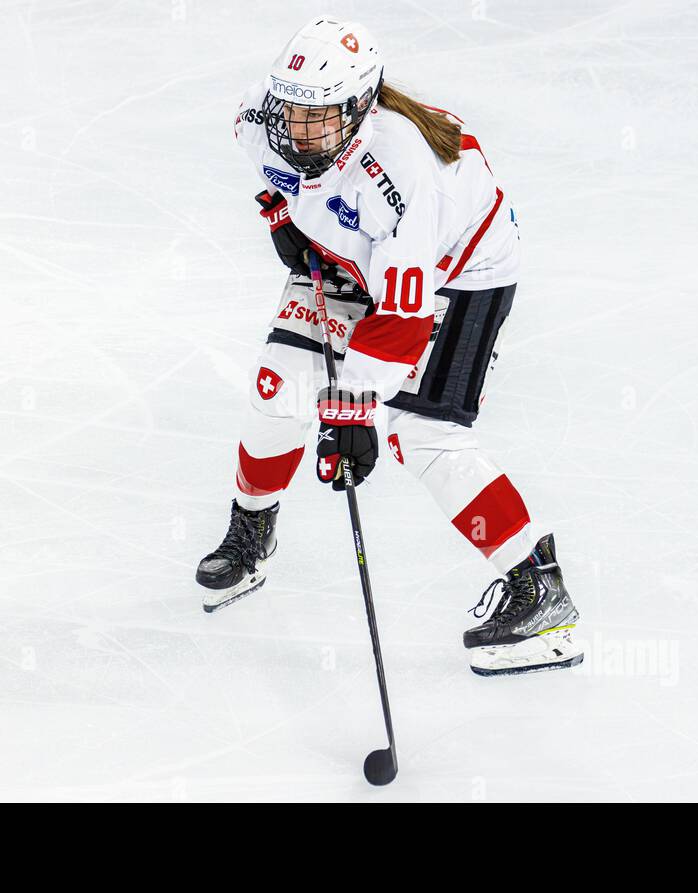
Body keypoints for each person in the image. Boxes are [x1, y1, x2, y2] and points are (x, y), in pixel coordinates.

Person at [196, 17, 582, 676]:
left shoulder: (400, 173)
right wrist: (279, 213)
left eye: (318, 117)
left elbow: (402, 321)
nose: (298, 130)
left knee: (422, 433)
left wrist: (351, 414)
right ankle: (252, 531)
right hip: (356, 256)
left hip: (460, 272)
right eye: (291, 110)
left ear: (359, 107)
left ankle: (538, 591)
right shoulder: (260, 118)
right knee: (277, 387)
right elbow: (266, 166)